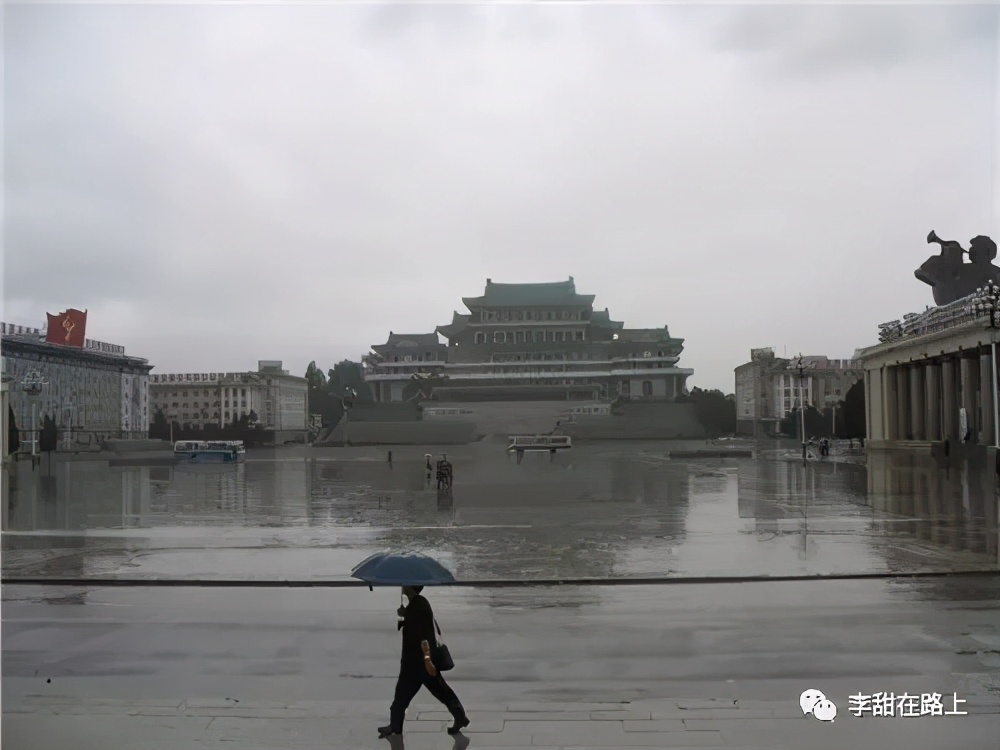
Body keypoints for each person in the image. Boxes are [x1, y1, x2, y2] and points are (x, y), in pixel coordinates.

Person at [379, 585, 469, 739]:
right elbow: (413, 628)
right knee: (441, 691)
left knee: (402, 697)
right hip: (418, 662)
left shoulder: (418, 606)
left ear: (410, 587)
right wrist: (403, 616)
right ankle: (460, 716)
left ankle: (395, 727)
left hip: (417, 663)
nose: (402, 587)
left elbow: (423, 636)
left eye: (404, 585)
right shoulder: (417, 604)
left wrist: (427, 660)